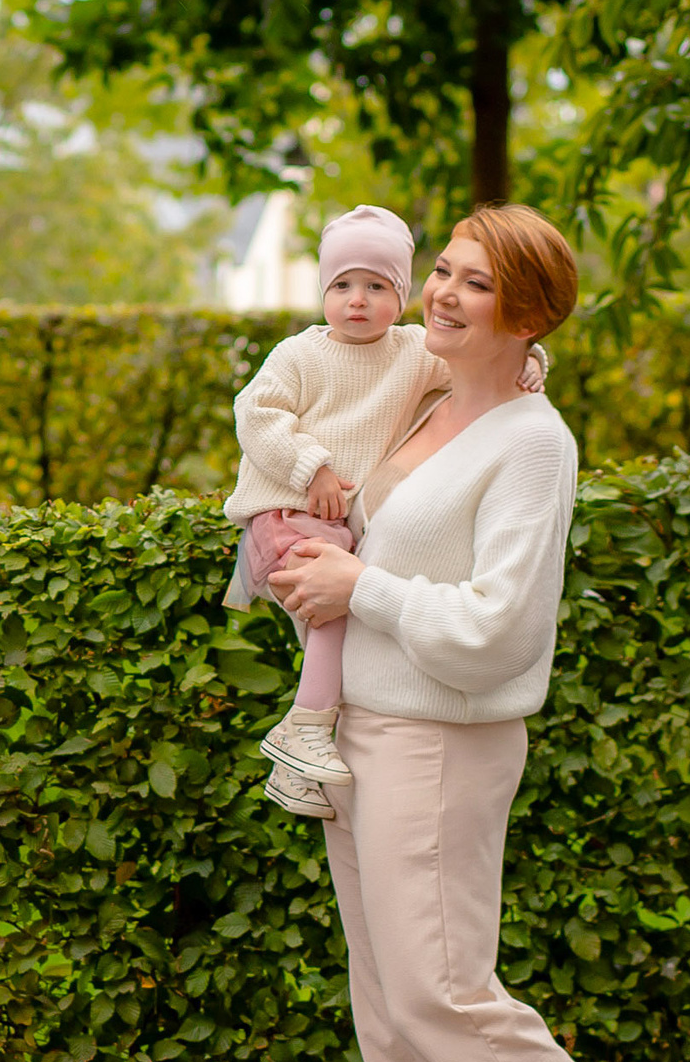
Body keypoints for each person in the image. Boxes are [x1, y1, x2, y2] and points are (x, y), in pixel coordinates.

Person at [267, 203, 690, 1062]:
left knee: (444, 999)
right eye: (441, 269)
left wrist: (361, 589)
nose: (438, 292)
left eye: (472, 283)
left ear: (526, 315)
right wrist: (321, 575)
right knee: (396, 1019)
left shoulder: (533, 441)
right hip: (364, 735)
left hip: (442, 744)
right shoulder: (424, 401)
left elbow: (499, 631)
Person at [226, 204, 544, 821]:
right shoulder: (299, 355)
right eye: (342, 285)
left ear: (401, 295)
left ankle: (298, 765)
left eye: (376, 286)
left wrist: (530, 363)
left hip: (336, 525)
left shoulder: (413, 352)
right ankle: (304, 729)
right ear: (323, 290)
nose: (357, 300)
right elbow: (255, 415)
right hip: (284, 513)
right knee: (332, 614)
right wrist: (311, 467)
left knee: (339, 625)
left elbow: (480, 360)